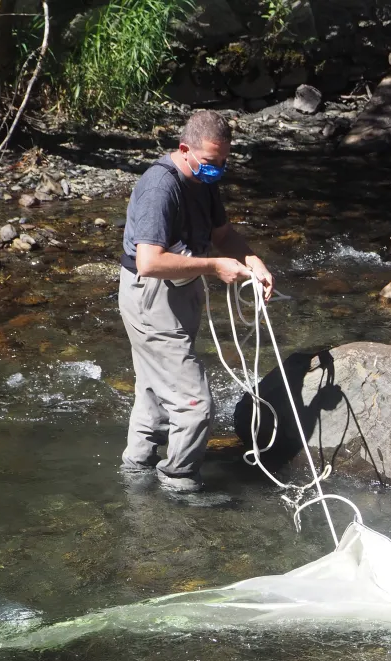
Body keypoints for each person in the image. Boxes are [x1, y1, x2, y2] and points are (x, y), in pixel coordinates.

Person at [118, 110, 274, 492]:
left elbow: (223, 235)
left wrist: (253, 260)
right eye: (210, 161)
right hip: (150, 294)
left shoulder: (204, 180)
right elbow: (149, 262)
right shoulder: (160, 188)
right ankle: (179, 482)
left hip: (182, 287)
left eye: (223, 162)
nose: (217, 170)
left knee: (154, 389)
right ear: (184, 149)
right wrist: (215, 266)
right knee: (195, 404)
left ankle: (136, 473)